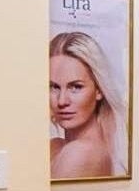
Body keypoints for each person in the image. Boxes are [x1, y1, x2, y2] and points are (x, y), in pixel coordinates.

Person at [50, 31, 127, 178]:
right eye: (54, 87)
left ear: (99, 89)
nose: (62, 101)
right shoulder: (57, 146)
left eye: (76, 87)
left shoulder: (80, 152)